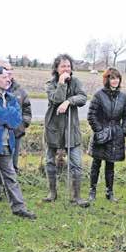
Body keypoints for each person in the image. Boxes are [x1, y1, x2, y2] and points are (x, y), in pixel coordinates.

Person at [0, 66, 36, 221]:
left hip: (6, 143)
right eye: (4, 77)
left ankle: (19, 208)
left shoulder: (11, 98)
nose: (8, 79)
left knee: (11, 176)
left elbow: (16, 120)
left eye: (9, 77)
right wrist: (5, 116)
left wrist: (2, 116)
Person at [43, 54, 89, 207]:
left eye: (68, 66)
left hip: (71, 128)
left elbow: (83, 97)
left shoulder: (76, 82)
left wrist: (69, 101)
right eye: (63, 66)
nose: (66, 69)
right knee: (50, 161)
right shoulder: (50, 84)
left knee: (76, 163)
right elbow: (55, 99)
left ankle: (76, 196)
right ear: (56, 69)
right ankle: (52, 192)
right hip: (53, 127)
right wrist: (61, 83)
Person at [87, 67, 126, 202]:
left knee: (111, 165)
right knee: (96, 163)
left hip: (116, 135)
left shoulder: (123, 97)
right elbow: (91, 115)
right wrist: (100, 130)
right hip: (101, 135)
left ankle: (109, 192)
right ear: (107, 79)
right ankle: (92, 191)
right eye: (112, 78)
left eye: (117, 78)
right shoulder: (98, 95)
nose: (115, 80)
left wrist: (123, 131)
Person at [0, 59, 32, 200]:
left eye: (10, 69)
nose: (8, 73)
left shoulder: (19, 91)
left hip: (15, 135)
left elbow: (26, 109)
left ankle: (11, 194)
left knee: (11, 166)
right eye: (4, 70)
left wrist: (23, 124)